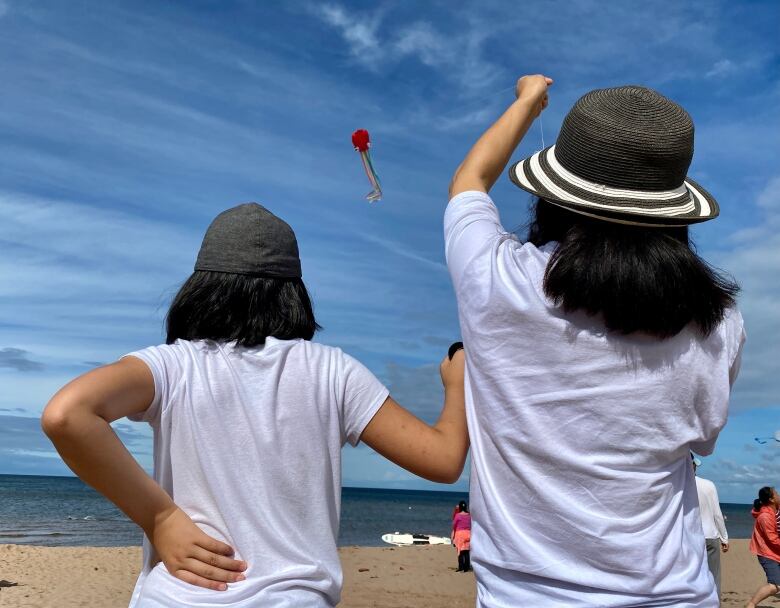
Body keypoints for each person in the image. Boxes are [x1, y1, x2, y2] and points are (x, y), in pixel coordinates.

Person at [41, 203, 469, 607]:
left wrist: (161, 518)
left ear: (200, 288)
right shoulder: (333, 371)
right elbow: (444, 459)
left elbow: (67, 414)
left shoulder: (175, 365)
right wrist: (457, 383)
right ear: (294, 293)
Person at [446, 75, 745, 606]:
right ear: (672, 211)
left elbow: (470, 179)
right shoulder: (717, 323)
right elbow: (700, 442)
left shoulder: (497, 280)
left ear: (555, 195)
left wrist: (527, 102)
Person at [693, 455, 729, 599]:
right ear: (694, 466)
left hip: (686, 537)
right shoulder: (708, 485)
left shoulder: (676, 486)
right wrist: (724, 538)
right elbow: (717, 514)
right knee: (713, 576)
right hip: (709, 535)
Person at [746, 487, 780, 608]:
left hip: (776, 552)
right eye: (776, 493)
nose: (778, 494)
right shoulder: (765, 517)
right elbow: (772, 539)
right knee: (774, 586)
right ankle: (751, 605)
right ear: (771, 499)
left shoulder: (775, 510)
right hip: (768, 554)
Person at [452, 500, 472, 572]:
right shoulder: (469, 515)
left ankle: (461, 567)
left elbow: (454, 525)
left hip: (460, 534)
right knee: (466, 551)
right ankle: (467, 567)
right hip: (468, 534)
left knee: (460, 551)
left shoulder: (458, 515)